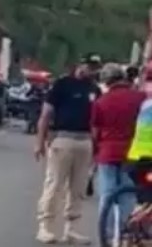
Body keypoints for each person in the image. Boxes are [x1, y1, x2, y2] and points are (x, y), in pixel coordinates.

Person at [35, 54, 103, 244]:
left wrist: (97, 146)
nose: (91, 70)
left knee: (77, 188)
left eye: (95, 67)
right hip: (62, 138)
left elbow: (97, 120)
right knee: (55, 184)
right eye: (89, 66)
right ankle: (45, 226)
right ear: (80, 65)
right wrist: (39, 141)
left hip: (85, 140)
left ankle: (71, 228)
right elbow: (46, 114)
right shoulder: (62, 85)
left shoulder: (94, 89)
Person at [91, 63, 146, 242]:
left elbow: (95, 130)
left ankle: (106, 235)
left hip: (107, 153)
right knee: (128, 195)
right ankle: (122, 232)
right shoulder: (140, 98)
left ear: (106, 82)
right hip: (133, 153)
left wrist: (95, 151)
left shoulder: (101, 102)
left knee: (107, 194)